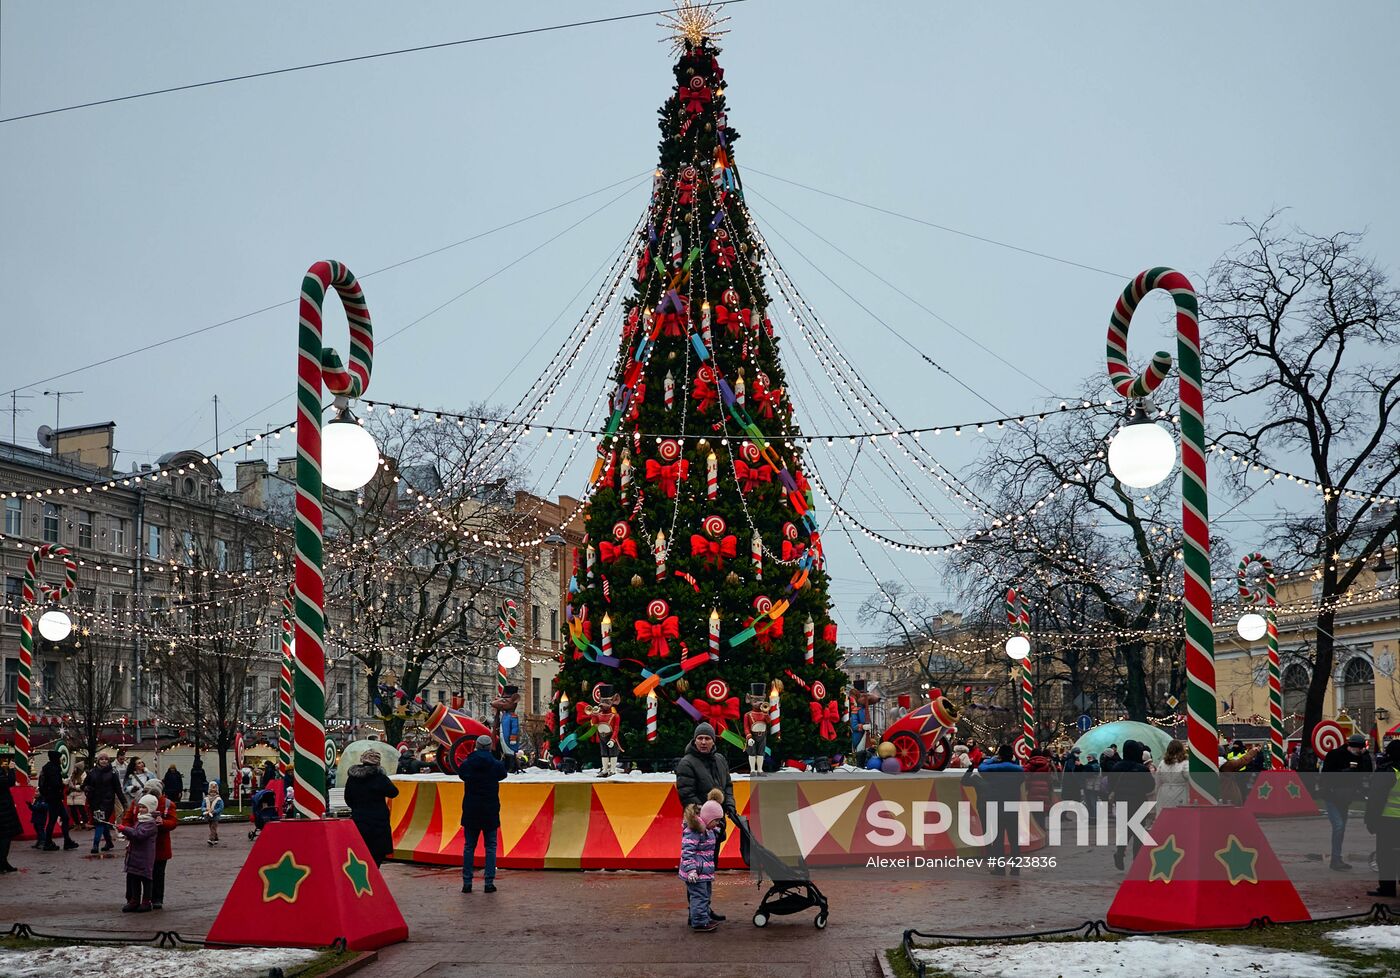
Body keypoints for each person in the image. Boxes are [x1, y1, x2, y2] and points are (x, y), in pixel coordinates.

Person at [458, 735, 507, 894]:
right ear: (490, 747)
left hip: (471, 809)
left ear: (477, 746)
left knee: (469, 847)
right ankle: (489, 883)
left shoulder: (467, 764)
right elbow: (503, 775)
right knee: (491, 847)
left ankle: (467, 883)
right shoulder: (496, 765)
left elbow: (461, 774)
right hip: (490, 810)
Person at [1320, 734, 1375, 871]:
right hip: (1332, 796)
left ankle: (1336, 858)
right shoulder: (1334, 755)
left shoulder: (1360, 757)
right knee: (1338, 826)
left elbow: (1367, 772)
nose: (1359, 751)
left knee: (1341, 827)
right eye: (1358, 749)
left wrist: (1365, 755)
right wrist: (1345, 772)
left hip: (1345, 798)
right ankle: (1335, 858)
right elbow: (1326, 775)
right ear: (1352, 746)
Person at [123, 782, 177, 909]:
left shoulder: (167, 804)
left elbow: (173, 822)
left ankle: (155, 899)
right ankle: (132, 898)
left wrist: (163, 822)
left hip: (160, 845)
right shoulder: (137, 803)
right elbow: (128, 818)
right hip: (138, 845)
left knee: (157, 873)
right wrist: (130, 831)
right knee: (133, 873)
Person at [679, 788, 725, 932]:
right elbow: (687, 852)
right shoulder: (694, 831)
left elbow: (713, 834)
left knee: (705, 895)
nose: (717, 824)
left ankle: (703, 917)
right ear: (708, 818)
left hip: (704, 871)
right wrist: (691, 870)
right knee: (699, 897)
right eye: (716, 820)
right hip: (696, 872)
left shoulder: (709, 830)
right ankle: (699, 922)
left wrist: (718, 829)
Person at [975, 745, 1025, 874]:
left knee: (998, 840)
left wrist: (992, 759)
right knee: (1014, 840)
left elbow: (981, 767)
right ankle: (1015, 869)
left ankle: (1000, 868)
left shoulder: (992, 771)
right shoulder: (1019, 771)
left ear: (1000, 756)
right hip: (1012, 807)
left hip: (996, 806)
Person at [345, 749, 399, 866]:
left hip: (359, 820)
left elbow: (348, 798)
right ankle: (374, 878)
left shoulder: (353, 778)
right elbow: (394, 792)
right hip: (378, 822)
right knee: (377, 854)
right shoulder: (379, 777)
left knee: (360, 852)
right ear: (378, 763)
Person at [1110, 740, 1156, 871]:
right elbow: (1150, 787)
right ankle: (1137, 862)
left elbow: (1111, 784)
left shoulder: (1117, 767)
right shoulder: (1142, 769)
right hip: (1138, 803)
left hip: (1121, 803)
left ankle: (1120, 853)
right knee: (1138, 833)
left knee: (1124, 831)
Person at [1364, 740, 1400, 900]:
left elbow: (1375, 799)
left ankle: (1387, 888)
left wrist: (1370, 820)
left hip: (1388, 820)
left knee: (1386, 855)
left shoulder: (1387, 771)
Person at [112, 794, 158, 912]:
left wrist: (125, 829)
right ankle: (134, 900)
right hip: (135, 854)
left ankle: (146, 901)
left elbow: (139, 835)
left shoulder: (151, 823)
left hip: (145, 856)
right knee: (134, 877)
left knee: (146, 879)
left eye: (144, 807)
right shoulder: (140, 820)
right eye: (140, 807)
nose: (141, 809)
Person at [84, 752, 123, 853]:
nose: (104, 761)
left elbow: (117, 788)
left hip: (107, 801)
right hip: (95, 801)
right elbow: (84, 785)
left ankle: (95, 845)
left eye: (106, 759)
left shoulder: (113, 772)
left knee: (99, 822)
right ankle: (109, 842)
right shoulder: (92, 772)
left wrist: (124, 802)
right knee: (103, 822)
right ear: (98, 760)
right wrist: (87, 788)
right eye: (101, 759)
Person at [38, 750, 77, 850]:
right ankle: (49, 842)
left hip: (52, 797)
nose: (61, 760)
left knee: (63, 818)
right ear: (56, 758)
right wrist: (63, 784)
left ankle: (65, 840)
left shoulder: (47, 767)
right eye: (59, 758)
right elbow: (55, 783)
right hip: (54, 798)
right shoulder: (53, 769)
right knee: (54, 820)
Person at [1023, 748, 1055, 829]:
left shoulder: (1029, 765)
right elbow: (1051, 780)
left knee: (1034, 816)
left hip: (1032, 792)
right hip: (1044, 792)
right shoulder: (1047, 764)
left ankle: (1036, 834)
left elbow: (1025, 779)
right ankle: (1042, 834)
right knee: (1041, 815)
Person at [1154, 739, 1191, 809]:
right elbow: (1190, 778)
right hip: (1180, 792)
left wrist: (1157, 791)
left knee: (1165, 815)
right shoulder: (1184, 763)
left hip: (1164, 792)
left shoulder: (1162, 763)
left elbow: (1157, 780)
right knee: (1179, 815)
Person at [0, 754, 21, 873]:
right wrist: (12, 770)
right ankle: (2, 862)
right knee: (5, 837)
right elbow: (9, 782)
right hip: (3, 808)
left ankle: (4, 862)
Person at [1079, 753, 1102, 821]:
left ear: (1093, 758)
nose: (1087, 758)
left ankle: (1094, 817)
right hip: (1088, 786)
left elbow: (1089, 772)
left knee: (1093, 802)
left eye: (1089, 757)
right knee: (1089, 803)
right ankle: (1091, 817)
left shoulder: (1095, 765)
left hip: (1093, 787)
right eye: (1087, 757)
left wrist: (1081, 766)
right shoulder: (1090, 765)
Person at [67, 760, 89, 829]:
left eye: (76, 768)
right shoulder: (73, 775)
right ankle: (77, 823)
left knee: (81, 809)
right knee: (73, 811)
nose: (74, 769)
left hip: (79, 795)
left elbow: (83, 785)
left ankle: (85, 823)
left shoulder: (84, 775)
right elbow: (68, 780)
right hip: (72, 795)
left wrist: (74, 787)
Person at [202, 780, 224, 846]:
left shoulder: (219, 799)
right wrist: (205, 809)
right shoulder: (206, 798)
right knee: (211, 827)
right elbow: (202, 806)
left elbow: (221, 807)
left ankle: (211, 839)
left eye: (214, 792)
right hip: (208, 815)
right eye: (211, 792)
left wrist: (215, 811)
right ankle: (216, 838)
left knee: (213, 827)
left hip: (215, 816)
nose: (213, 793)